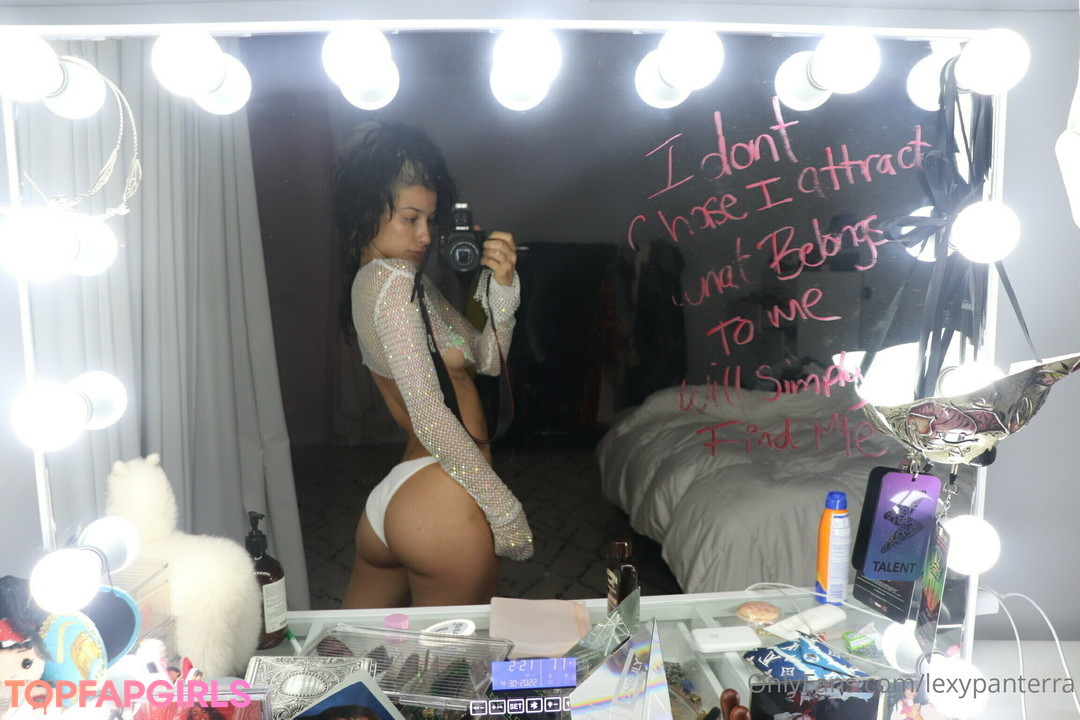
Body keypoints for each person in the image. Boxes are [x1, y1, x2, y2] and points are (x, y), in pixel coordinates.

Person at [334, 121, 533, 609]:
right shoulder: (394, 284)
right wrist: (504, 510)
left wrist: (500, 286)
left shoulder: (394, 282)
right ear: (368, 210)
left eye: (430, 219)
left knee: (349, 648)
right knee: (456, 658)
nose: (425, 235)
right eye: (410, 218)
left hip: (407, 491)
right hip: (441, 497)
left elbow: (487, 359)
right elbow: (427, 412)